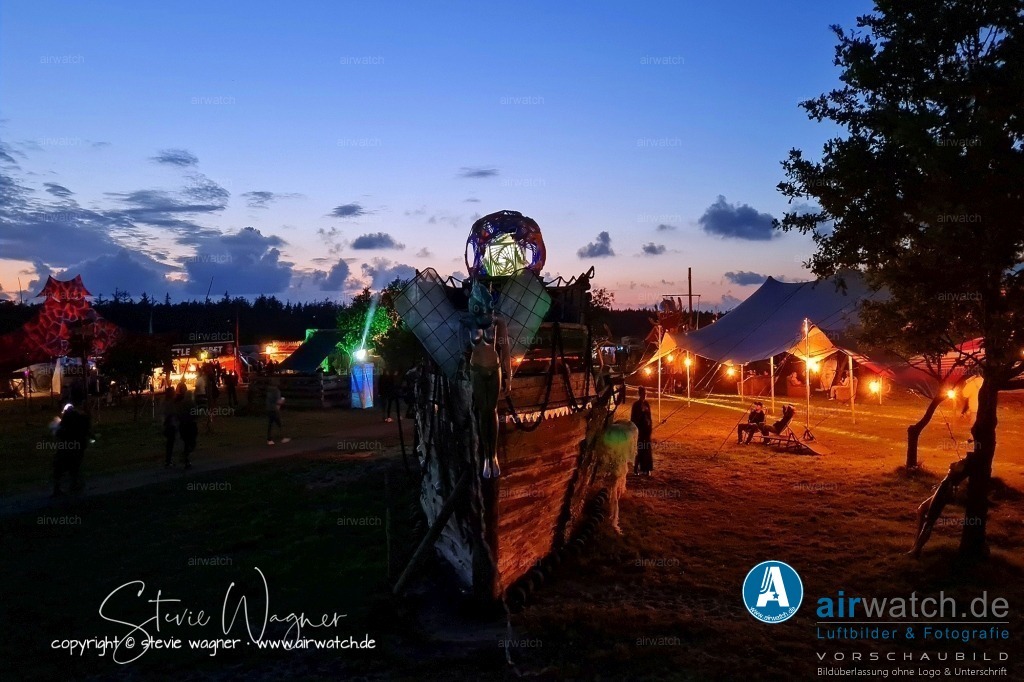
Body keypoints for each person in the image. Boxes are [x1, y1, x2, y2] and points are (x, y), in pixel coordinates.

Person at [52, 390, 91, 496]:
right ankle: (74, 485)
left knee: (60, 466)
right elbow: (86, 431)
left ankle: (59, 488)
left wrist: (57, 430)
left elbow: (61, 429)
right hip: (78, 445)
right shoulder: (85, 416)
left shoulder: (70, 415)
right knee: (74, 466)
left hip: (67, 444)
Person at [631, 386, 654, 475]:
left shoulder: (647, 404)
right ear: (639, 394)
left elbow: (649, 417)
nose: (645, 395)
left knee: (647, 450)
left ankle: (646, 469)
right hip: (639, 431)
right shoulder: (636, 405)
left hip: (646, 431)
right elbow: (634, 418)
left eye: (646, 394)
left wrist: (649, 426)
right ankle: (636, 469)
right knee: (639, 450)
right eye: (643, 394)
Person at [176, 388, 198, 469]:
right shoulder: (192, 404)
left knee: (186, 442)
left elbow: (179, 414)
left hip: (184, 425)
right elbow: (195, 414)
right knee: (191, 442)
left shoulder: (182, 404)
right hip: (190, 425)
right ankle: (186, 458)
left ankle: (186, 458)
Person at [265, 377, 290, 445]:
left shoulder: (269, 390)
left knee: (271, 424)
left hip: (269, 408)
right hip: (274, 409)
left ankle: (270, 439)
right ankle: (282, 438)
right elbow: (278, 401)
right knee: (279, 424)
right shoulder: (276, 391)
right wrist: (282, 400)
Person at [162, 386, 178, 468]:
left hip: (169, 425)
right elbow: (171, 414)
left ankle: (169, 460)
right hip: (170, 425)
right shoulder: (170, 403)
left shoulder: (166, 402)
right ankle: (168, 461)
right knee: (170, 444)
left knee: (170, 444)